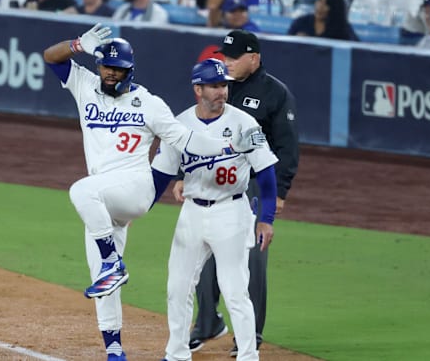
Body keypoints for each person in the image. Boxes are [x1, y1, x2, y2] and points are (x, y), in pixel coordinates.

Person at [41, 23, 266, 361]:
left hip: (134, 187)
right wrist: (77, 45)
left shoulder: (148, 103)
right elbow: (50, 57)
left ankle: (114, 263)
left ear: (130, 71)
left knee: (80, 191)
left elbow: (185, 139)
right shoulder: (85, 85)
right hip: (105, 198)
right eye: (106, 66)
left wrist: (226, 144)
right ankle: (114, 349)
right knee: (101, 277)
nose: (110, 73)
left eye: (118, 69)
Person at [151, 58, 279, 361]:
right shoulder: (179, 125)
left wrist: (267, 219)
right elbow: (160, 175)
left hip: (230, 212)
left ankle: (249, 356)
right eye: (214, 86)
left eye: (224, 85)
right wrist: (137, 209)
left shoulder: (245, 123)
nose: (222, 91)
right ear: (198, 89)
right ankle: (177, 354)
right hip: (192, 212)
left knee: (235, 291)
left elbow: (266, 172)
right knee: (177, 288)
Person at [183, 30, 299, 356]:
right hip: (216, 180)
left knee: (252, 261)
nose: (228, 62)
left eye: (234, 57)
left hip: (257, 184)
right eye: (226, 56)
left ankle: (251, 337)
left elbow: (288, 148)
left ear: (254, 57)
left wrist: (279, 193)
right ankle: (207, 323)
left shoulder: (275, 93)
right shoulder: (221, 89)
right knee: (204, 250)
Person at [287, 0, 360, 41]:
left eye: (326, 5)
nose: (320, 7)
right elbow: (286, 46)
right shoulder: (301, 22)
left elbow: (355, 50)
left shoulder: (343, 29)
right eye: (319, 1)